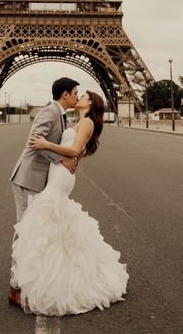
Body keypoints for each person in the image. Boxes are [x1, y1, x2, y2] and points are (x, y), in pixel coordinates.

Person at [10, 89, 129, 316]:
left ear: (90, 103)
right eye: (77, 93)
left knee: (43, 221)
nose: (79, 97)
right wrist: (68, 156)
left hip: (60, 176)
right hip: (59, 173)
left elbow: (74, 150)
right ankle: (43, 278)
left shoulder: (86, 123)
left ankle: (34, 281)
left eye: (83, 96)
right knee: (50, 224)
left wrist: (47, 145)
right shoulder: (79, 121)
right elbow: (77, 151)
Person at [8, 77, 80, 308]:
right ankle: (15, 287)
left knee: (33, 229)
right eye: (76, 92)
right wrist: (61, 159)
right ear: (65, 94)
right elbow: (34, 142)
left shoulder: (61, 114)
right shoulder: (49, 112)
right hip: (28, 178)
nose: (78, 96)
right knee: (25, 230)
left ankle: (27, 281)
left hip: (39, 179)